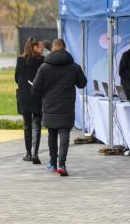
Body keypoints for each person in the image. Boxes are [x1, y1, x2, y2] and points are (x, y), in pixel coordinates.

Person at [31, 38, 86, 176]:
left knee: (52, 134)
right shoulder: (74, 66)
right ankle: (62, 164)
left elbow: (35, 89)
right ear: (65, 48)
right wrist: (81, 72)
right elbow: (82, 84)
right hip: (66, 106)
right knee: (64, 134)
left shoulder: (44, 67)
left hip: (49, 106)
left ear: (53, 48)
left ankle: (52, 162)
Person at [15, 37, 44, 164]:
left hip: (24, 96)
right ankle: (35, 154)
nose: (42, 48)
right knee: (36, 124)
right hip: (37, 95)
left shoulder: (20, 60)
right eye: (40, 47)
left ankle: (28, 153)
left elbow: (16, 78)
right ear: (33, 47)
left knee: (27, 125)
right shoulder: (42, 61)